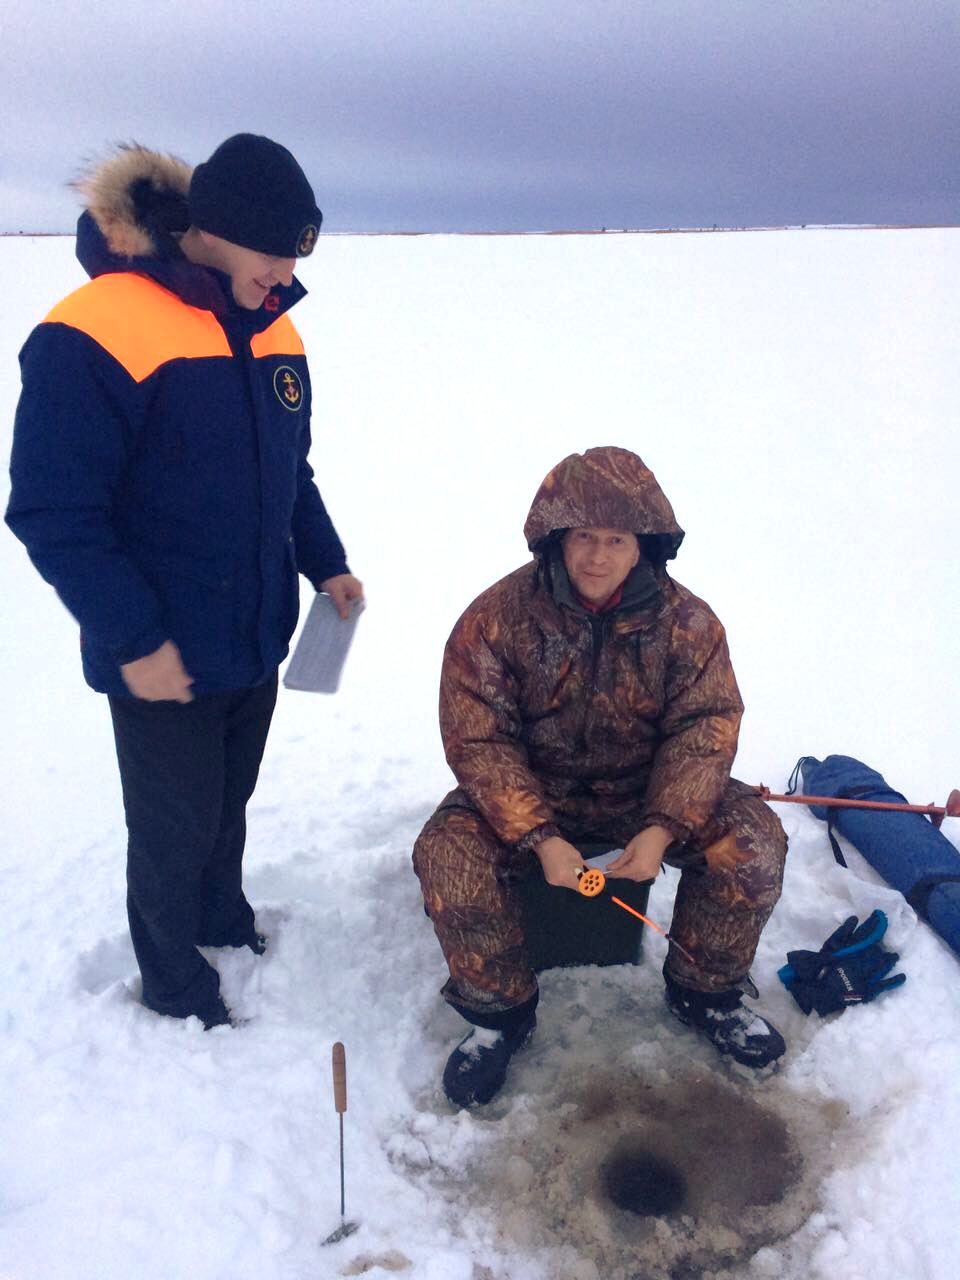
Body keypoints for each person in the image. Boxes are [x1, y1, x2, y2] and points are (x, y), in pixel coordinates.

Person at [6, 134, 362, 1028]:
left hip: (252, 626)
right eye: (275, 253)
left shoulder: (275, 324)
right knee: (170, 826)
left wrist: (327, 562)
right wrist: (134, 640)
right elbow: (53, 510)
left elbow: (292, 473)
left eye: (295, 259)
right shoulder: (94, 328)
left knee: (226, 798)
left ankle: (220, 916)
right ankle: (172, 984)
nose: (284, 276)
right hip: (159, 644)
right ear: (216, 230)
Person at [413, 446, 787, 1106]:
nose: (597, 555)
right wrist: (539, 836)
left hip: (644, 796)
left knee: (752, 842)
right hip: (534, 794)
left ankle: (707, 994)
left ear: (644, 545)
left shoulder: (689, 625)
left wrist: (665, 825)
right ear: (556, 537)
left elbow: (705, 728)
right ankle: (499, 1015)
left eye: (616, 539)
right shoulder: (496, 618)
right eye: (584, 537)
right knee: (449, 855)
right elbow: (479, 738)